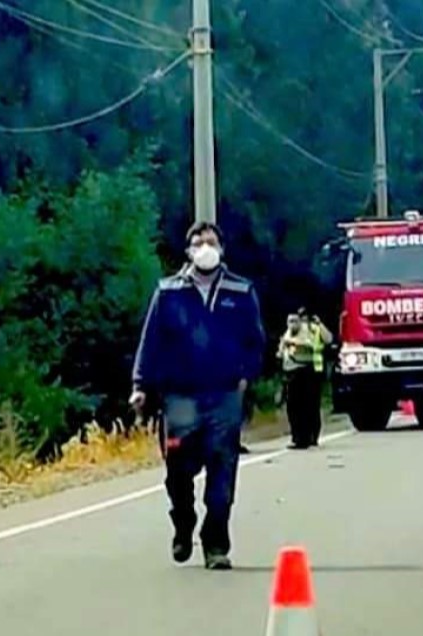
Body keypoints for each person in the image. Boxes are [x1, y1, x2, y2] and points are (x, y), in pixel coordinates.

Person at [130, 221, 266, 570]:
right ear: (188, 250)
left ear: (221, 248)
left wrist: (245, 376)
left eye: (211, 241)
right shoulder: (168, 292)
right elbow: (151, 343)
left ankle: (216, 543)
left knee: (222, 472)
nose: (205, 247)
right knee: (178, 470)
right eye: (198, 242)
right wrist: (140, 386)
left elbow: (256, 340)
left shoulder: (240, 290)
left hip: (223, 396)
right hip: (180, 398)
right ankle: (183, 522)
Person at [277, 308, 332, 448]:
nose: (292, 324)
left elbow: (317, 343)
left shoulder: (309, 330)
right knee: (293, 407)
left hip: (307, 370)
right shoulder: (288, 332)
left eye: (296, 320)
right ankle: (298, 436)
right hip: (290, 372)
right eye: (290, 321)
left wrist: (294, 343)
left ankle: (307, 437)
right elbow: (281, 351)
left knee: (308, 406)